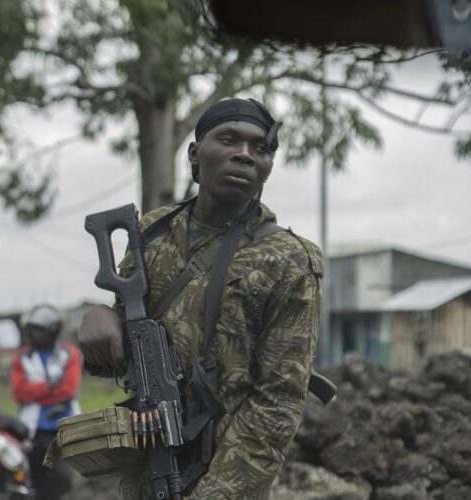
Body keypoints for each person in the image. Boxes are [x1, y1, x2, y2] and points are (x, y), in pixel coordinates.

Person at [79, 97, 323, 499]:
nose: (244, 155)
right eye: (229, 140)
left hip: (223, 480)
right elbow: (126, 358)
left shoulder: (290, 260)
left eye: (260, 148)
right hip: (147, 470)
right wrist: (99, 320)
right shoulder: (152, 233)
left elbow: (277, 403)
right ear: (195, 153)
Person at [11, 304, 82, 500]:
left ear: (52, 331)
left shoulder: (69, 354)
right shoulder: (22, 357)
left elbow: (69, 389)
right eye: (31, 330)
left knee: (63, 479)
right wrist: (50, 386)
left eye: (38, 330)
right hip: (33, 429)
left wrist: (36, 390)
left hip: (64, 427)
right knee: (35, 478)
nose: (33, 335)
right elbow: (20, 393)